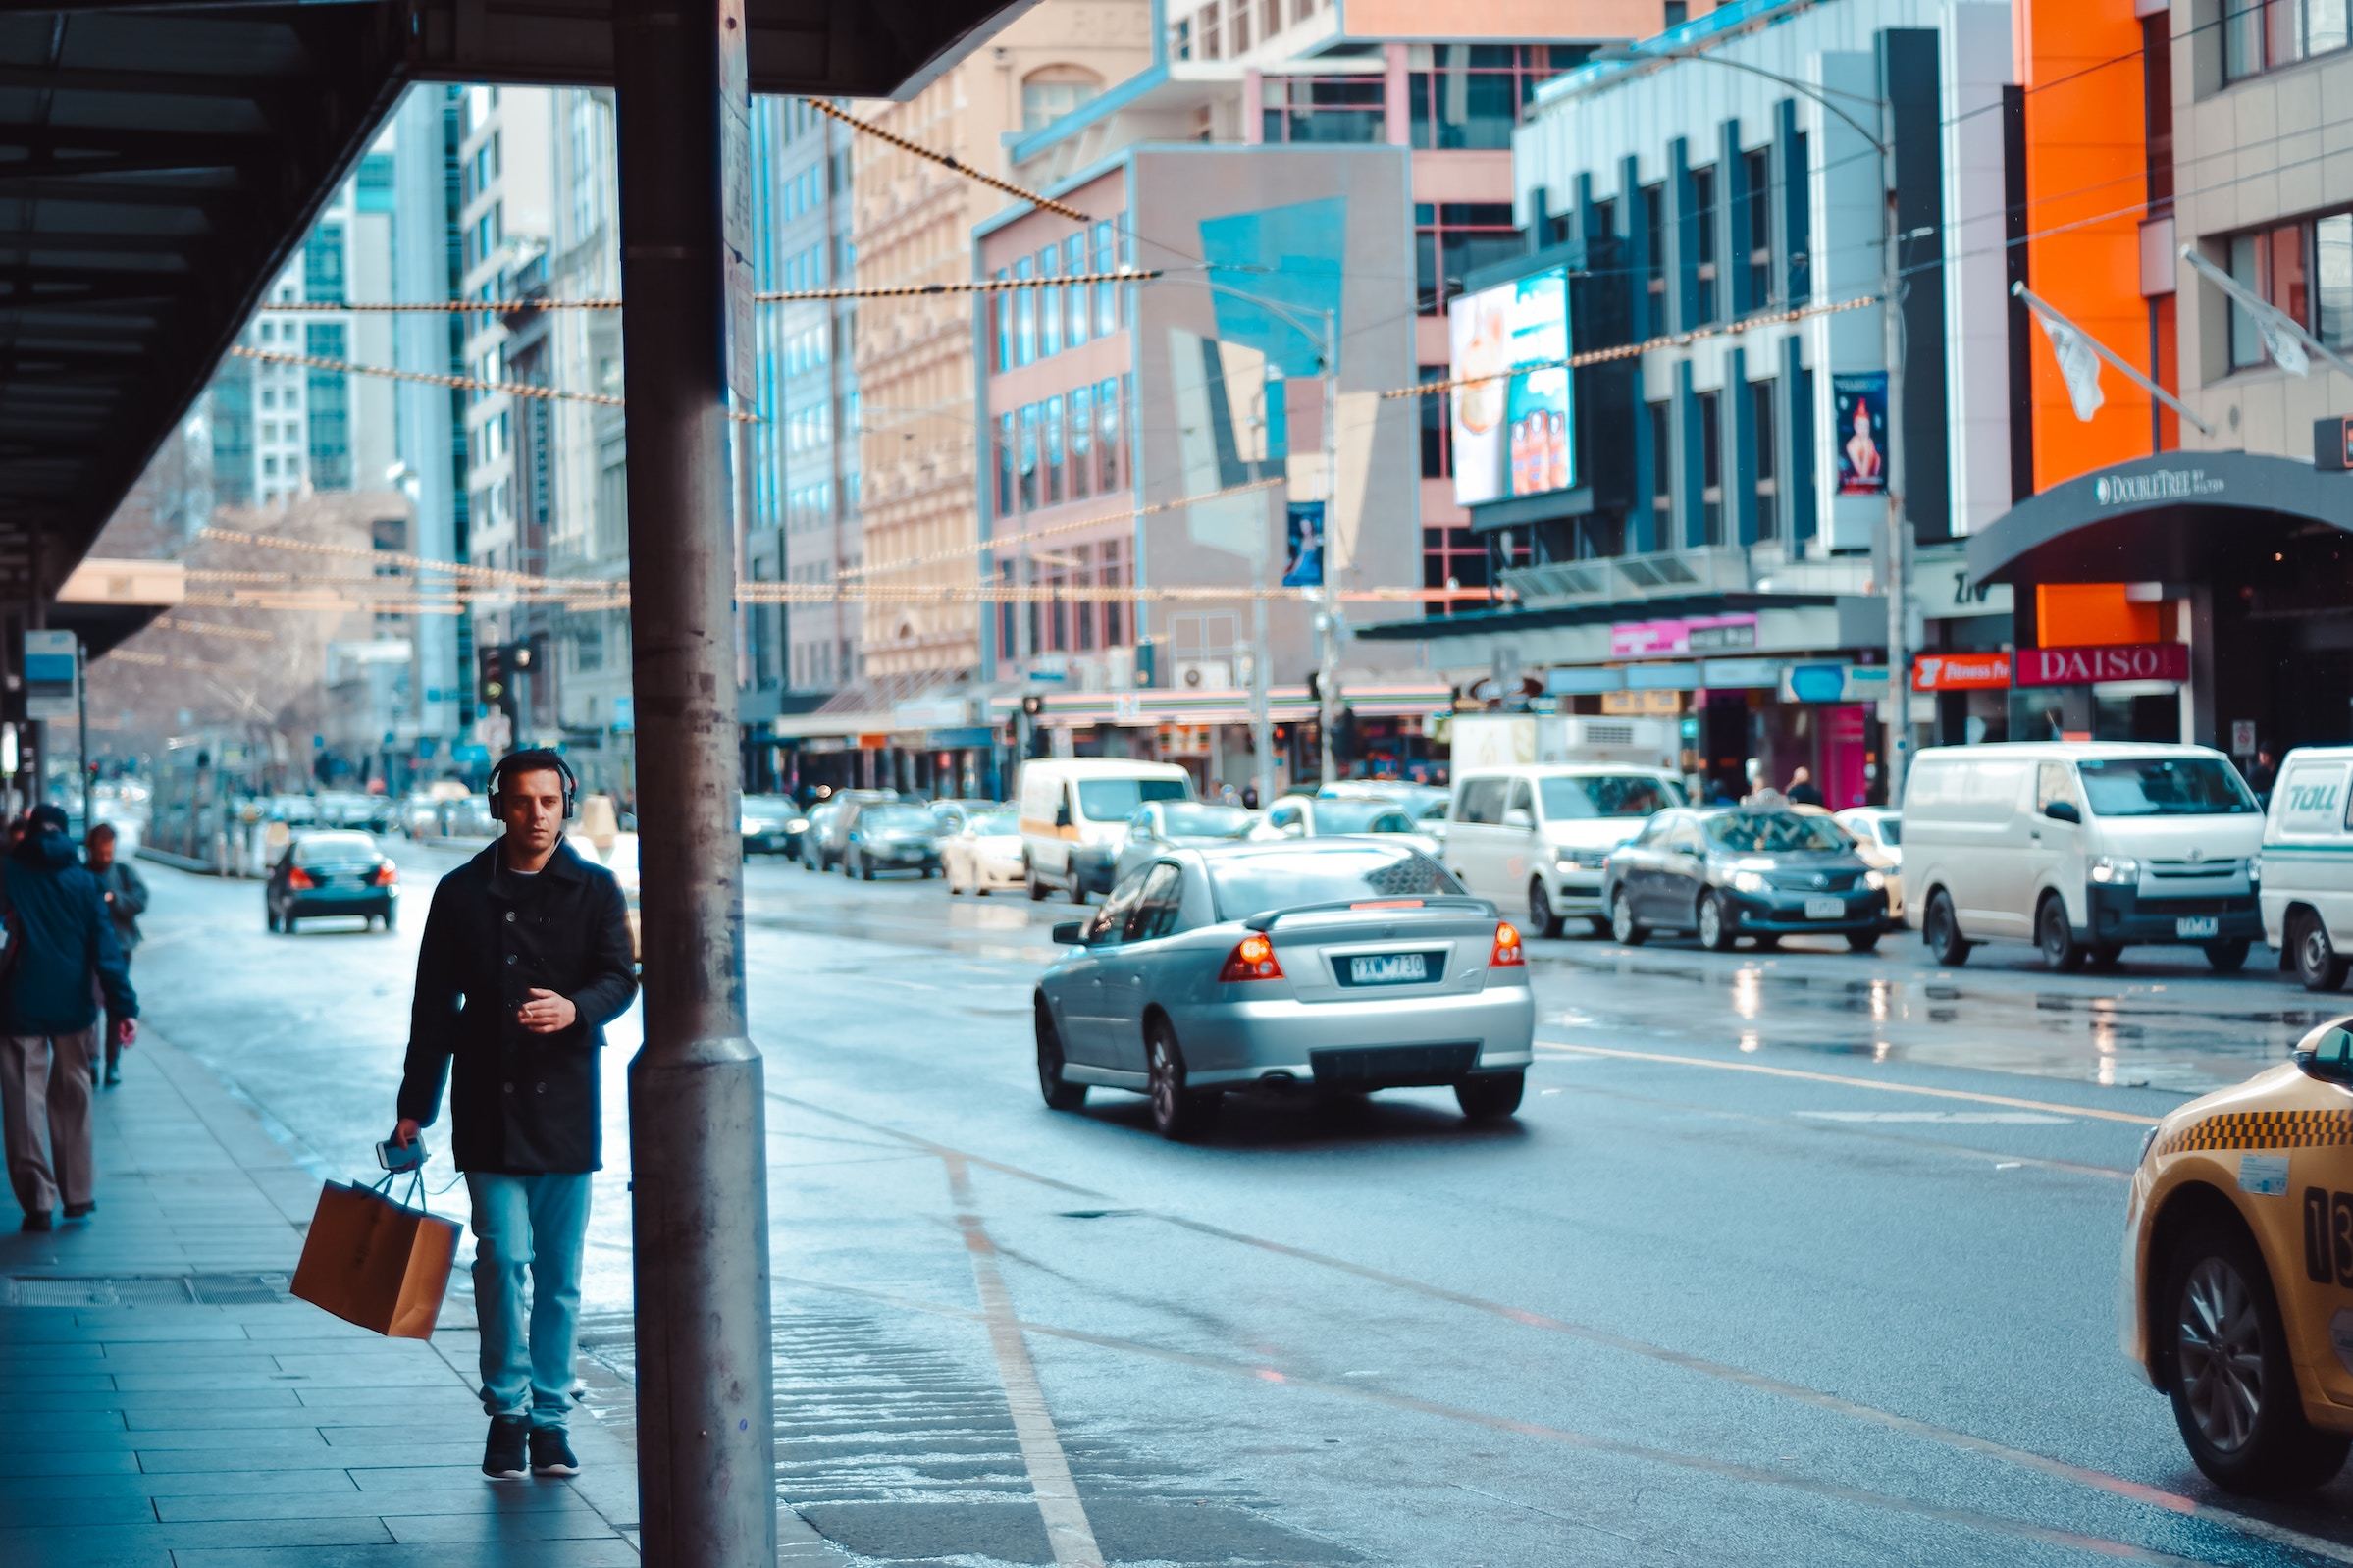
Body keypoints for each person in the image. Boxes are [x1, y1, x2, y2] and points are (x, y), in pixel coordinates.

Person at [391, 750, 637, 1482]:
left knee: (559, 1275)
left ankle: (552, 1420)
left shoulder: (595, 889)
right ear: (500, 806)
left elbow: (621, 978)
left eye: (550, 802)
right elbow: (432, 1008)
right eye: (523, 802)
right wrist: (414, 1107)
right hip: (488, 1106)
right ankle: (508, 1412)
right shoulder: (460, 892)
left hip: (565, 1105)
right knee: (502, 1260)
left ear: (567, 805)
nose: (537, 815)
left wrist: (574, 1008)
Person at [0, 805, 135, 1231]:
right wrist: (123, 1009)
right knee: (74, 1099)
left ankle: (38, 1201)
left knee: (24, 1105)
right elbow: (107, 954)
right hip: (75, 1010)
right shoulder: (85, 884)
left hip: (19, 1007)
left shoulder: (7, 875)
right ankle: (77, 1195)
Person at [83, 825, 147, 1089]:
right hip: (88, 951)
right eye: (102, 852)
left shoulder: (123, 872)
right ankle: (92, 1060)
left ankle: (112, 1062)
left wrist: (114, 899)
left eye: (110, 851)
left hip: (119, 947)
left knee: (115, 1006)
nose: (107, 857)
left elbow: (140, 900)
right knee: (90, 1006)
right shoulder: (81, 875)